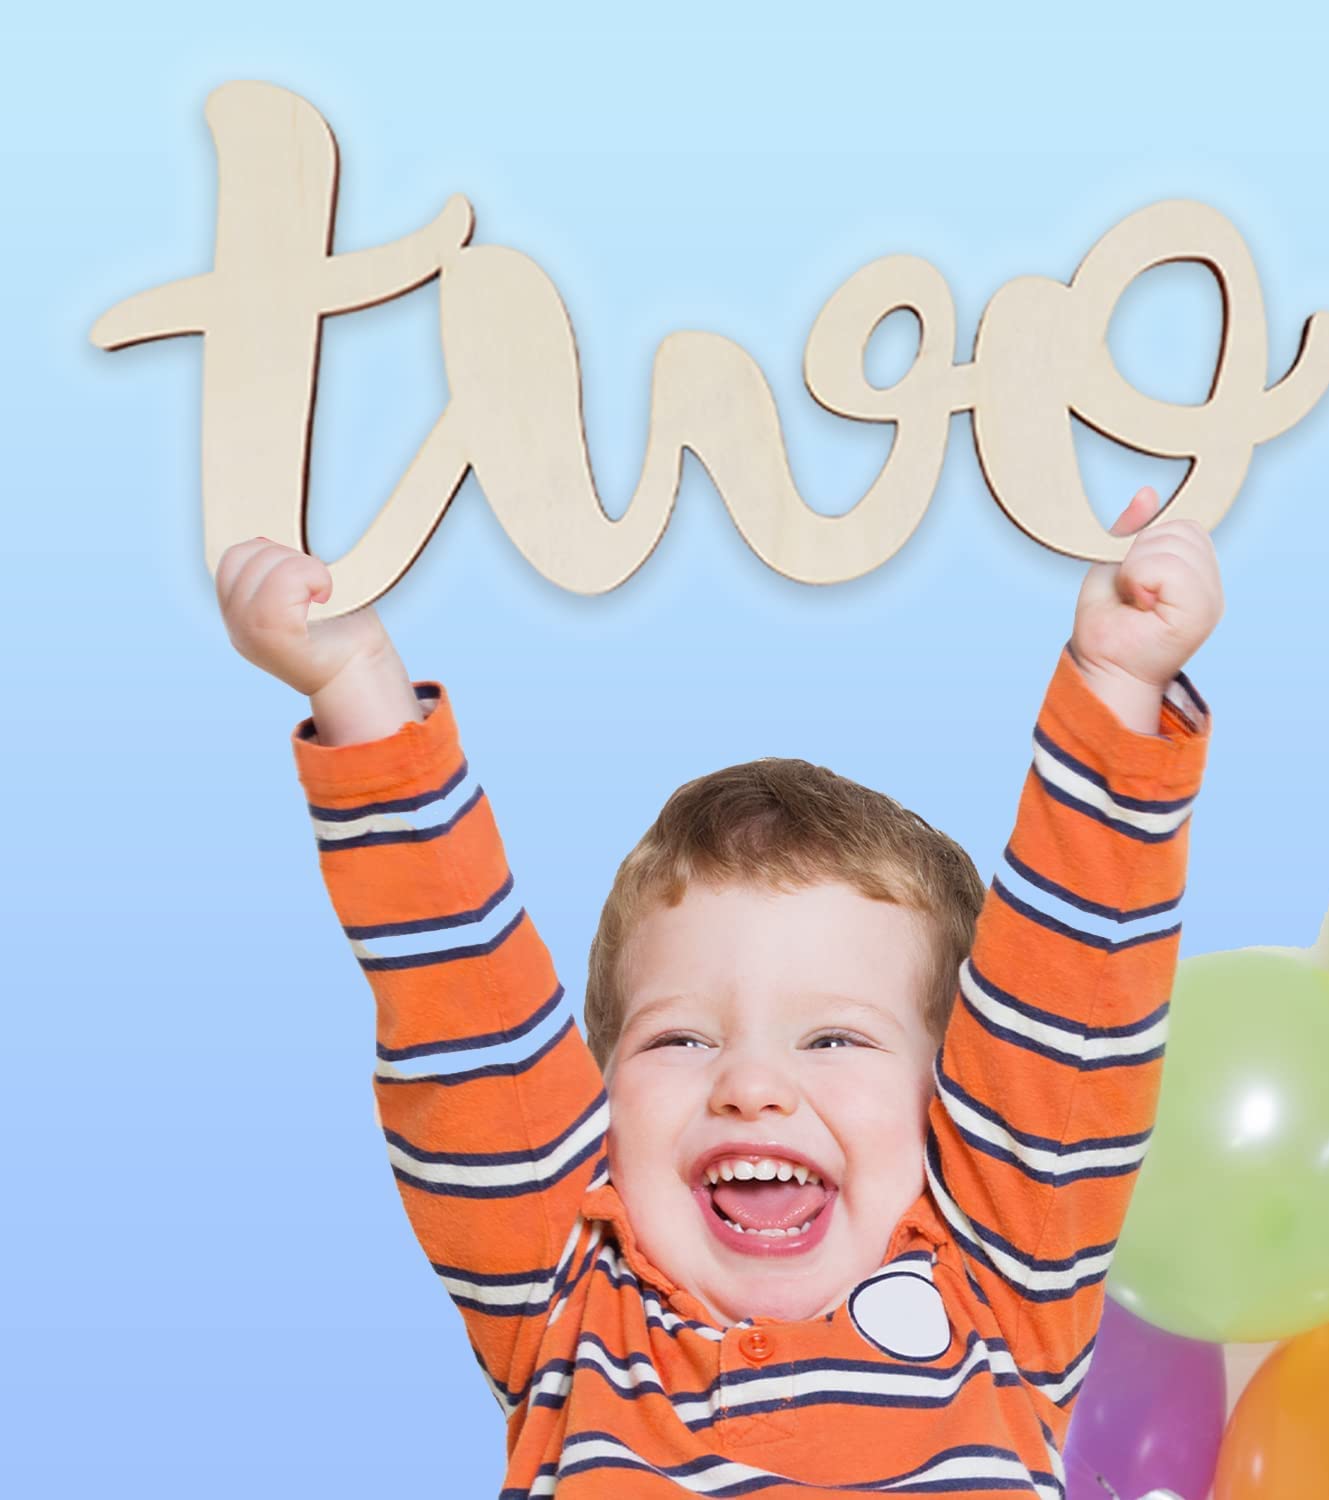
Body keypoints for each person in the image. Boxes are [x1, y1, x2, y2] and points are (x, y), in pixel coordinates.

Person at [217, 485, 1221, 1497]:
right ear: (597, 1103)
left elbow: (1071, 1001)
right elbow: (463, 1005)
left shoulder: (997, 1290)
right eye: (679, 1041)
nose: (750, 1083)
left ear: (953, 1098)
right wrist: (359, 690)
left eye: (832, 1040)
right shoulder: (570, 1301)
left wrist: (1116, 685)